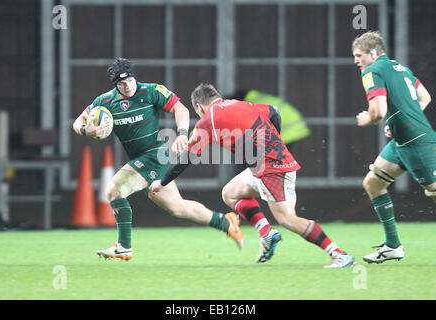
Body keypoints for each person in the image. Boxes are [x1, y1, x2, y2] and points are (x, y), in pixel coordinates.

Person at [150, 83, 355, 268]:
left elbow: (186, 158)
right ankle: (266, 232)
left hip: (272, 169)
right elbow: (274, 112)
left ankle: (338, 254)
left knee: (287, 218)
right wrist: (275, 141)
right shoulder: (243, 104)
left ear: (198, 107)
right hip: (265, 165)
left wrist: (163, 181)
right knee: (230, 193)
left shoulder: (208, 120)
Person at [72, 58, 244, 260]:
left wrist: (181, 134)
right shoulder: (104, 102)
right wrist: (86, 129)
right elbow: (78, 122)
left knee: (113, 191)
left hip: (155, 156)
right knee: (179, 208)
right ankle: (226, 222)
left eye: (130, 81)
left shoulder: (152, 91)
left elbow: (181, 109)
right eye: (122, 84)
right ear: (115, 85)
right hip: (140, 159)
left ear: (135, 78)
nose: (127, 86)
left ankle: (124, 247)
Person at [353, 31, 436, 264]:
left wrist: (366, 119)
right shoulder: (400, 68)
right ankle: (392, 246)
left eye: (359, 55)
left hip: (416, 141)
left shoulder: (372, 71)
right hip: (402, 140)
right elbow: (425, 96)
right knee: (373, 182)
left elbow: (377, 112)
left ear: (372, 53)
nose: (356, 61)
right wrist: (399, 120)